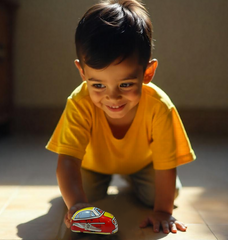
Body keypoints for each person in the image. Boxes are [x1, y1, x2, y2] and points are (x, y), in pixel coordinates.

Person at [46, 0, 196, 234]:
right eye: (98, 85)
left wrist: (164, 212)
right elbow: (67, 161)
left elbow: (166, 165)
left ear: (147, 73)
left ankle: (131, 179)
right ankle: (100, 184)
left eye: (125, 84)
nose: (113, 97)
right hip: (92, 165)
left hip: (143, 164)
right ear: (82, 73)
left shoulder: (159, 107)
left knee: (168, 193)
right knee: (79, 193)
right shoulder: (79, 102)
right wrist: (76, 205)